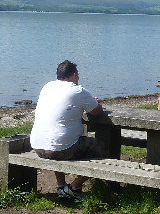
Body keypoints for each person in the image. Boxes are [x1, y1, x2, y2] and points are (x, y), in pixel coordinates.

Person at [30, 60, 104, 199]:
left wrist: (84, 102)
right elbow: (97, 111)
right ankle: (74, 187)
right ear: (75, 75)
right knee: (104, 149)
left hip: (38, 146)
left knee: (58, 137)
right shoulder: (77, 90)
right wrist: (93, 102)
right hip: (61, 149)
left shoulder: (47, 87)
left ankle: (61, 185)